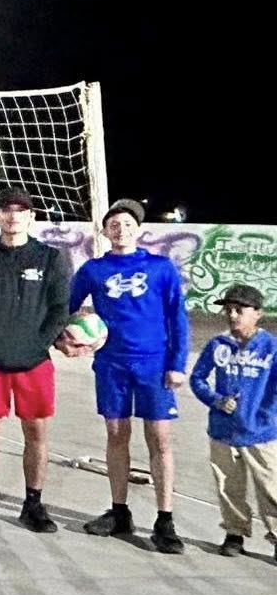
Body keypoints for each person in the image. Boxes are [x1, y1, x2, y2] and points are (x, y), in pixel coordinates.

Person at [69, 198, 190, 552]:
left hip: (154, 365)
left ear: (138, 230)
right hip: (111, 364)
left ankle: (165, 520)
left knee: (160, 438)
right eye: (114, 224)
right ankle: (120, 511)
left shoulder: (160, 268)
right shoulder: (93, 270)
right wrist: (68, 338)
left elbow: (177, 318)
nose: (120, 229)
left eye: (127, 224)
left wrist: (177, 364)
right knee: (116, 434)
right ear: (105, 231)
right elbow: (66, 308)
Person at [0, 188, 71, 532]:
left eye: (20, 210)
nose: (13, 216)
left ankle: (33, 504)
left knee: (35, 429)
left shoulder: (50, 258)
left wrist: (38, 344)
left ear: (31, 217)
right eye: (6, 210)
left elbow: (59, 309)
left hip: (34, 360)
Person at [189, 285, 277, 560]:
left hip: (261, 432)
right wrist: (216, 400)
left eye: (240, 310)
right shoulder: (218, 344)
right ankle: (234, 532)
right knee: (228, 486)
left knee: (271, 487)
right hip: (224, 431)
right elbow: (198, 378)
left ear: (258, 313)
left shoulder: (271, 347)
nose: (232, 315)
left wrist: (267, 415)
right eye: (228, 310)